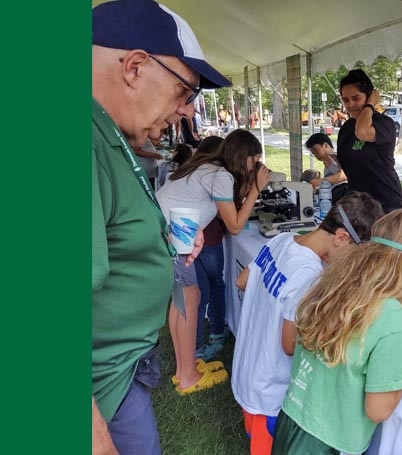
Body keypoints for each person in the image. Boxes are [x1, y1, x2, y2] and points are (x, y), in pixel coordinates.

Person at [92, 0, 230, 453]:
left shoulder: (109, 131)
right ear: (134, 66)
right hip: (104, 386)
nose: (187, 112)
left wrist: (159, 244)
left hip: (120, 371)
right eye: (185, 92)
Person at [271, 209, 402, 455]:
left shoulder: (337, 281)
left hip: (292, 421)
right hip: (330, 443)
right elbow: (379, 410)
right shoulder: (391, 315)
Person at [231, 192, 384, 455]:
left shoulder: (283, 239)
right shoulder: (310, 275)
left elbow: (243, 280)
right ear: (341, 238)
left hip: (249, 371)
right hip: (272, 392)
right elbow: (290, 345)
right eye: (356, 257)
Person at [156, 129, 273, 395]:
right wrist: (256, 188)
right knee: (190, 300)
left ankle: (184, 368)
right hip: (175, 233)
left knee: (183, 301)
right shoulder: (219, 176)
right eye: (254, 161)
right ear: (243, 156)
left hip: (169, 230)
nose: (256, 167)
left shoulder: (208, 168)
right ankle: (188, 377)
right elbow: (234, 225)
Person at [336, 69, 402, 213]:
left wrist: (370, 106)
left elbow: (362, 132)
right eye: (346, 100)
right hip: (358, 203)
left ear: (368, 97)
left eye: (356, 98)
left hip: (385, 202)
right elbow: (351, 162)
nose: (350, 105)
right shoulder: (346, 128)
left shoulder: (384, 123)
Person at [188, 136, 229, 362]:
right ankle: (217, 335)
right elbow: (229, 217)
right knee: (214, 287)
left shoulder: (190, 170)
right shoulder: (217, 175)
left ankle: (197, 346)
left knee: (198, 292)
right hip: (209, 237)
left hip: (186, 237)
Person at [304, 132, 349, 203]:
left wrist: (320, 181)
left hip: (341, 192)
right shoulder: (330, 158)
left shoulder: (331, 157)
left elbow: (344, 175)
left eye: (316, 150)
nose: (316, 154)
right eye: (313, 153)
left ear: (325, 145)